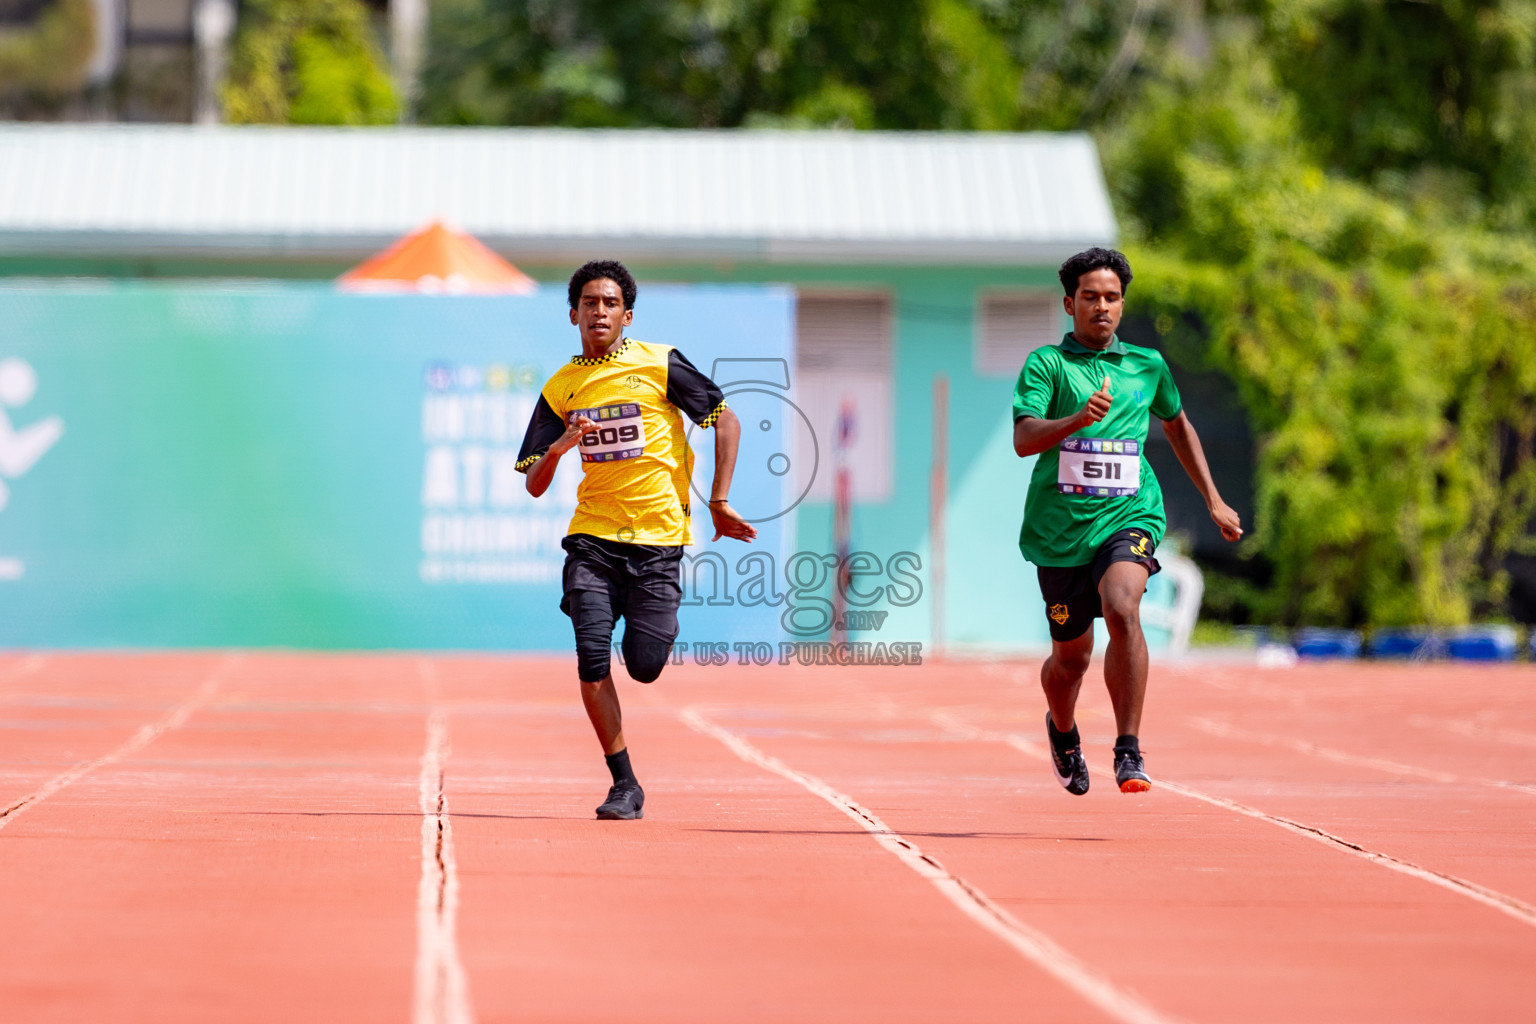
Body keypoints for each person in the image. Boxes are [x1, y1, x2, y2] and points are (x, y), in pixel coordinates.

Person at [517, 260, 757, 819]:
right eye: (589, 304)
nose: (599, 312)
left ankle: (647, 623)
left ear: (626, 315)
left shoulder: (659, 363)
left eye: (609, 304)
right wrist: (559, 447)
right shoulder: (561, 388)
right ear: (573, 314)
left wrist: (718, 502)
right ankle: (624, 783)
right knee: (591, 657)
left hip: (656, 542)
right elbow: (533, 484)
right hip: (591, 540)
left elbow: (726, 420)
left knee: (644, 665)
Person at [1012, 248, 1242, 795]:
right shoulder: (1047, 364)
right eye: (1090, 297)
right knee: (1071, 663)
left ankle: (1128, 749)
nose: (1102, 307)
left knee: (1122, 604)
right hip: (1060, 531)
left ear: (1123, 304)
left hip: (1130, 511)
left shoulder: (1148, 366)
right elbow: (1024, 440)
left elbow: (1178, 424)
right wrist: (1076, 419)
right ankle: (1063, 730)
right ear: (1070, 303)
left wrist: (1212, 497)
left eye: (1112, 297)